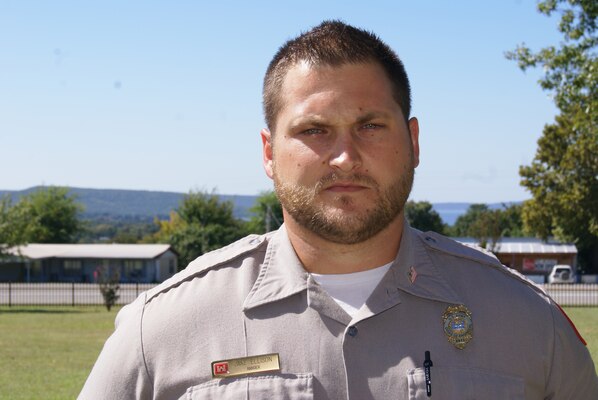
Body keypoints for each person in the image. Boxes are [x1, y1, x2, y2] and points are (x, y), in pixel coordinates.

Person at [80, 20, 598, 399]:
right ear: (268, 153)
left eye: (371, 125)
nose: (345, 157)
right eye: (313, 131)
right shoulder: (160, 332)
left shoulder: (531, 325)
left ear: (413, 142)